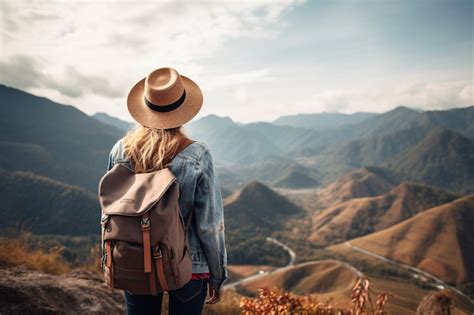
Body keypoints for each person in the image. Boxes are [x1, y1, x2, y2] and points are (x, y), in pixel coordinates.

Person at [106, 67, 228, 315]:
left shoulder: (119, 150)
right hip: (189, 265)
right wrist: (217, 275)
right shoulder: (198, 155)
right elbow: (209, 226)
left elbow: (109, 211)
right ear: (184, 111)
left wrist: (110, 259)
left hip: (134, 258)